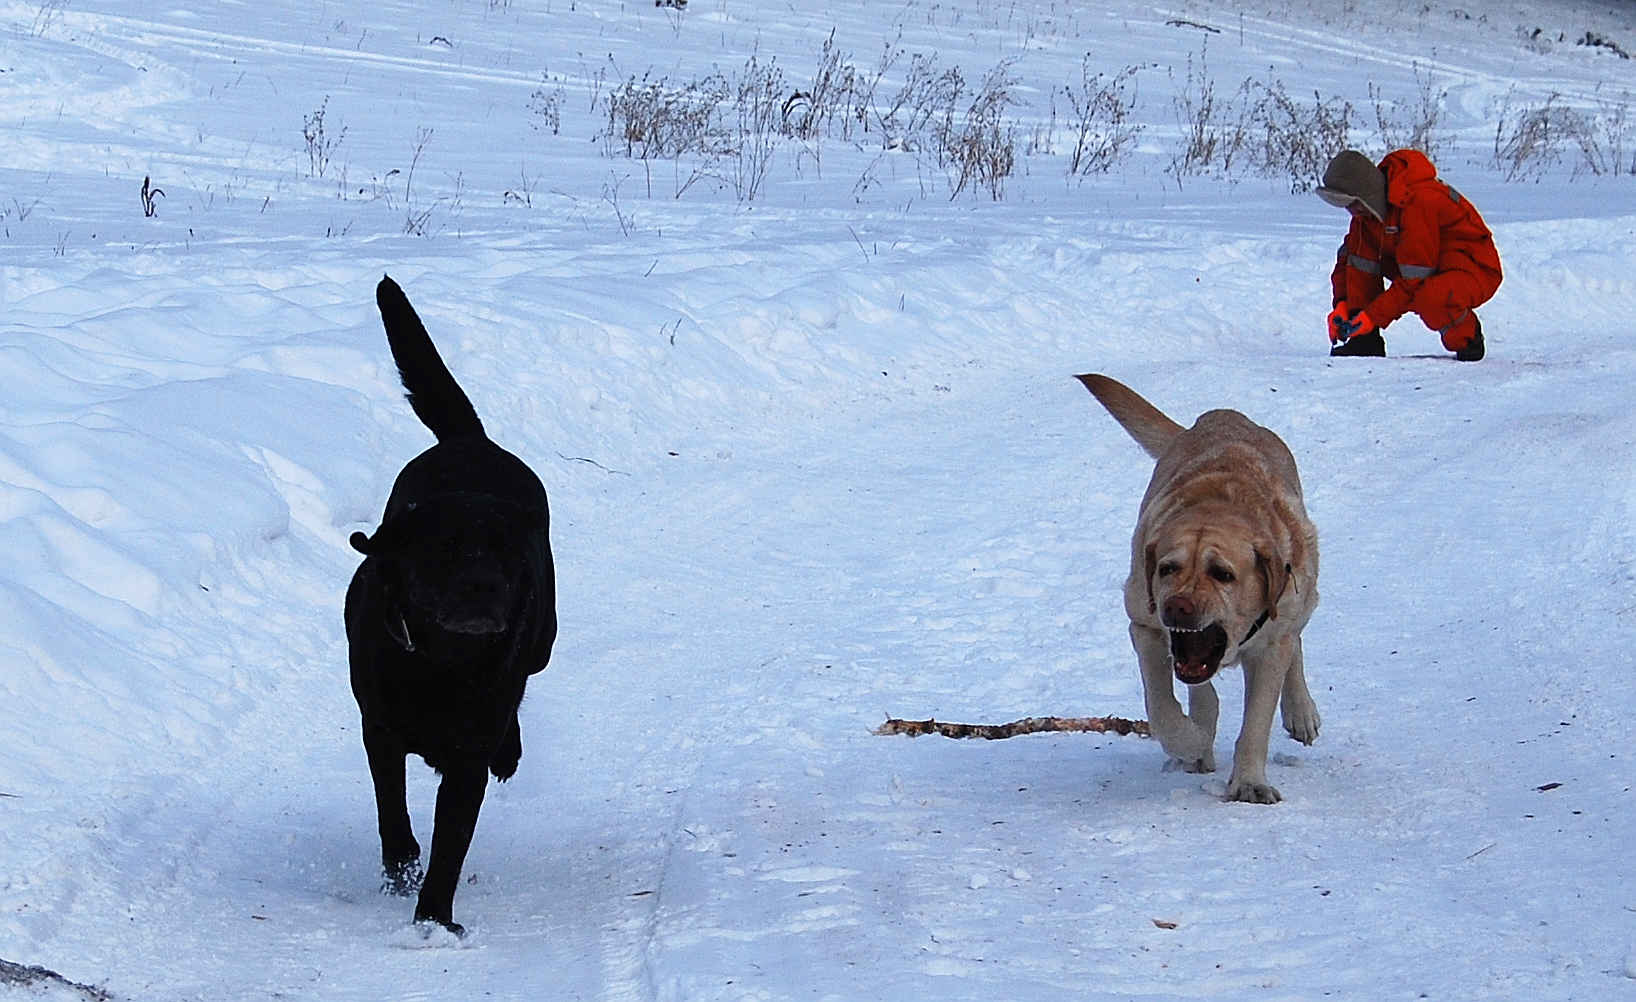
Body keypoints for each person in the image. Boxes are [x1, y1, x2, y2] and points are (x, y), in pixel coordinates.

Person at [1316, 149, 1502, 361]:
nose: (1351, 211)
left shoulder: (1418, 201)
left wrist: (1372, 316)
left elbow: (1414, 280)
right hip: (1424, 265)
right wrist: (1343, 305)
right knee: (1358, 254)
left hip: (1473, 266)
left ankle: (1468, 340)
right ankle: (1364, 340)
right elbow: (1350, 260)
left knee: (1431, 297)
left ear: (1366, 194)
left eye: (1352, 203)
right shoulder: (1367, 213)